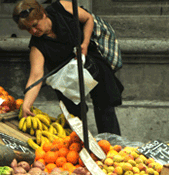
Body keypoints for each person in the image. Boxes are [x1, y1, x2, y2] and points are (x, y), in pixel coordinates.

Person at [13, 0, 124, 135]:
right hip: (68, 80)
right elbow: (36, 77)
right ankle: (81, 147)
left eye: (35, 25)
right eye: (28, 29)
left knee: (105, 107)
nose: (33, 31)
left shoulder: (61, 8)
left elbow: (89, 19)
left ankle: (113, 144)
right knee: (75, 118)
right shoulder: (37, 47)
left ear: (43, 14)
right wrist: (26, 104)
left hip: (91, 62)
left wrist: (85, 43)